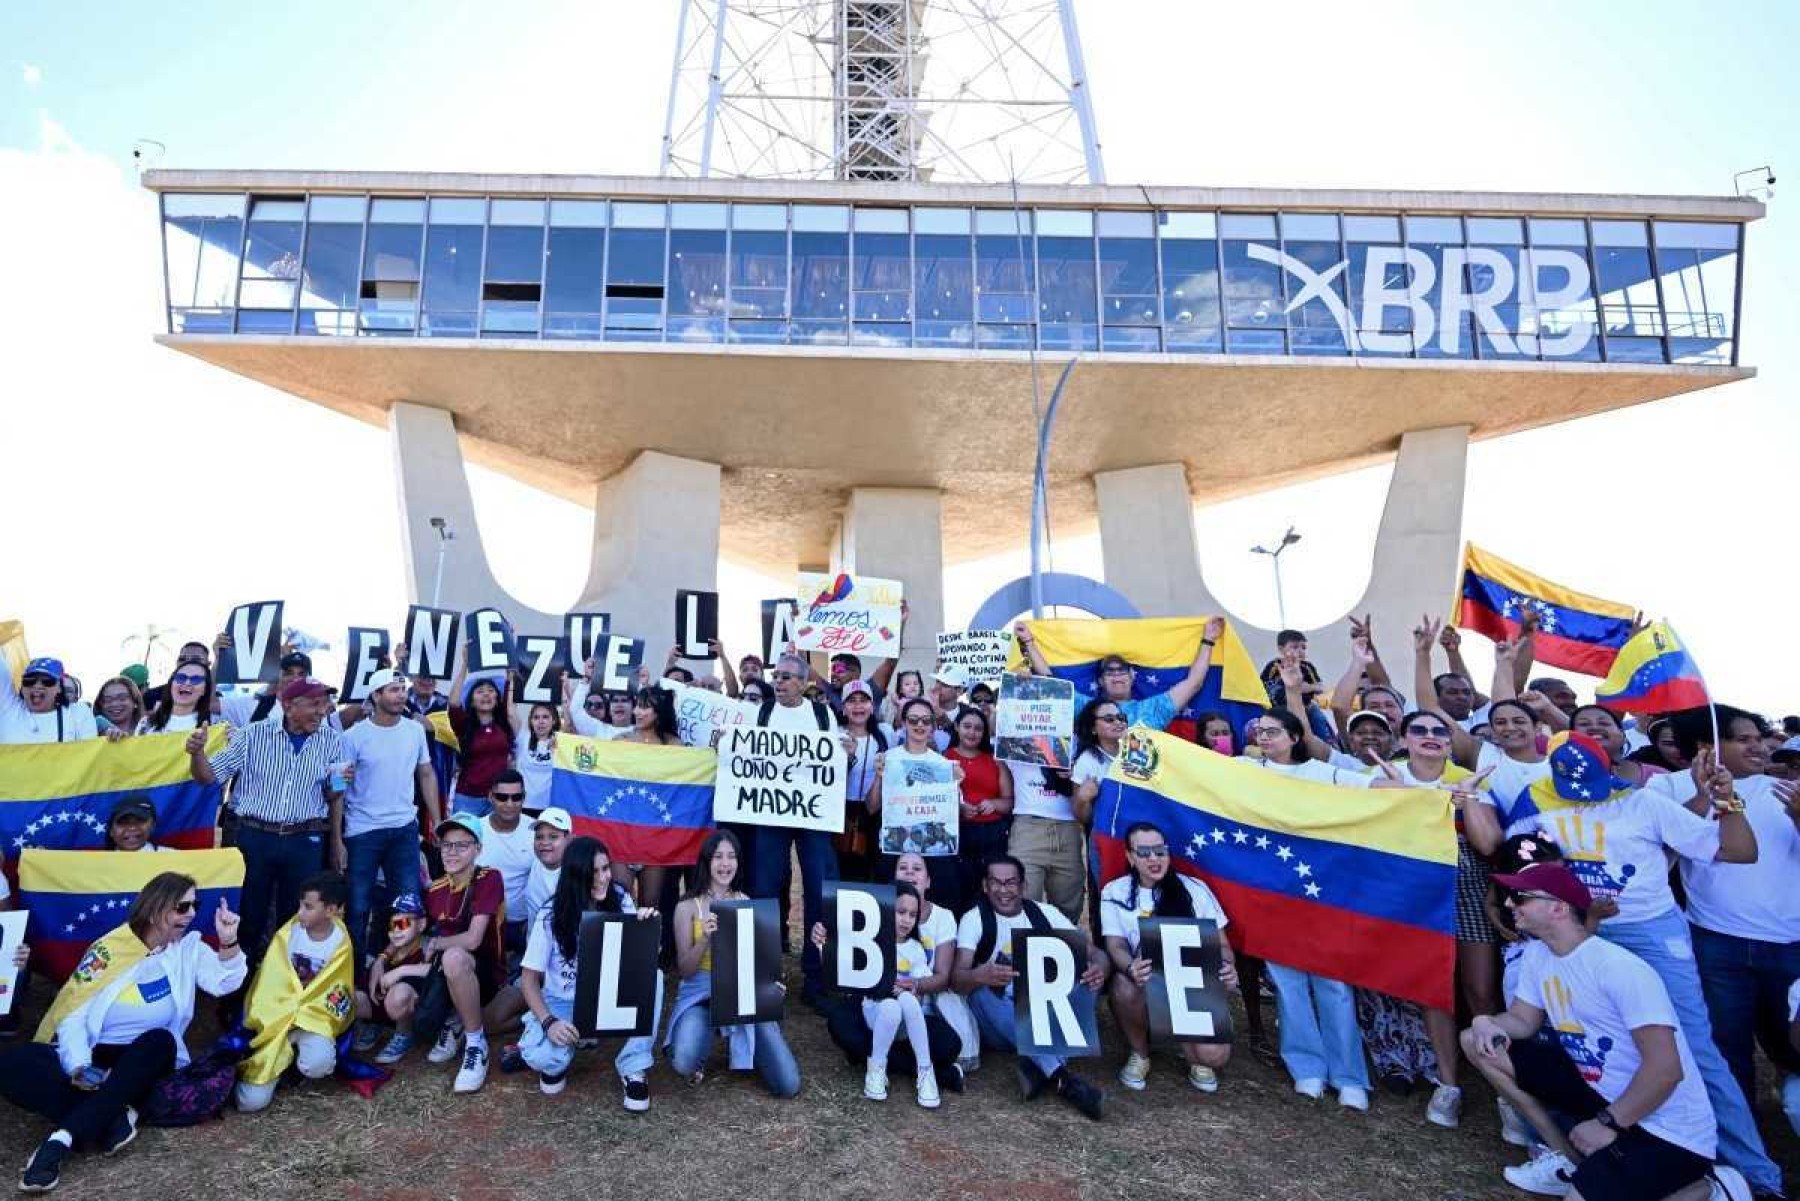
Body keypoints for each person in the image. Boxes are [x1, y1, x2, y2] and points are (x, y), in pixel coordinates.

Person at [1521, 729, 1781, 1195]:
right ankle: (1610, 1149)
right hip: (1586, 933)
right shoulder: (1542, 809)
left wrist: (1727, 801)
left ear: (1611, 767)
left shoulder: (1644, 803)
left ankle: (1755, 1174)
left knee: (1693, 1049)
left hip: (1651, 935)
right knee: (1593, 1046)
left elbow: (1739, 852)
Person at [1462, 862, 1733, 1201]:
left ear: (1559, 908)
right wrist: (1486, 1021)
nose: (1508, 904)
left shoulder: (1620, 968)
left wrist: (1608, 1123)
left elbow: (1666, 1071)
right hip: (1601, 1088)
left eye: (1521, 897)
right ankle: (1570, 1158)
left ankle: (1712, 1190)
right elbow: (1523, 1021)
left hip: (1667, 1127)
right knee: (1475, 1041)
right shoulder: (1537, 954)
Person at [0, 873, 244, 1192]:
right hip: (97, 1057)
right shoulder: (109, 950)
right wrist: (78, 1066)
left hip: (147, 1059)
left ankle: (58, 1143)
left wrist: (228, 941)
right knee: (17, 1061)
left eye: (194, 905)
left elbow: (224, 982)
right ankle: (111, 1118)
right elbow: (74, 1014)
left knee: (160, 1040)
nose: (192, 914)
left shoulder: (189, 949)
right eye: (182, 907)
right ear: (156, 908)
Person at [1645, 707, 1800, 1129]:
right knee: (1727, 1046)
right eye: (1743, 739)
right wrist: (1702, 796)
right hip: (1715, 942)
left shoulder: (1786, 790)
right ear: (1707, 746)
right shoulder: (1666, 789)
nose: (1759, 746)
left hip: (1790, 943)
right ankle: (1740, 1138)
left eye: (1759, 737)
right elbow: (1659, 855)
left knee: (1789, 1043)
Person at [1365, 711, 1501, 1129]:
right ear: (1404, 738)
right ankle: (1448, 1083)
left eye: (1439, 731)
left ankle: (1503, 1089)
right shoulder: (1383, 776)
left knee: (1480, 990)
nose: (1430, 737)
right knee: (1433, 986)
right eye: (1419, 730)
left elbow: (1489, 843)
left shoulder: (1471, 776)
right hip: (1412, 888)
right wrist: (1410, 795)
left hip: (1467, 884)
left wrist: (1469, 800)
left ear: (1449, 740)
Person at [1239, 707, 1374, 1109]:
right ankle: (1306, 1068)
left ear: (1295, 736)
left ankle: (1349, 1075)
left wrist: (1432, 792)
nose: (1264, 738)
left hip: (1322, 888)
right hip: (1272, 887)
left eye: (1273, 731)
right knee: (1286, 979)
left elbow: (1374, 788)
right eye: (1259, 731)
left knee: (1333, 982)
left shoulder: (1322, 772)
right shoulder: (1245, 770)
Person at [188, 675, 347, 962]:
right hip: (255, 839)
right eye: (315, 703)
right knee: (248, 917)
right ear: (288, 705)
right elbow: (208, 776)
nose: (323, 710)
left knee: (297, 920)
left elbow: (333, 795)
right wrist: (197, 753)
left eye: (325, 703)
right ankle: (237, 994)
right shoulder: (252, 735)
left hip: (305, 841)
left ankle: (282, 991)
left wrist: (341, 783)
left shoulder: (332, 741)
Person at [951, 854, 1107, 1120]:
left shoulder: (1045, 914)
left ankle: (1038, 1068)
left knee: (1087, 982)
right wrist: (981, 974)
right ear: (985, 886)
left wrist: (1099, 969)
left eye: (1011, 882)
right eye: (996, 883)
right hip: (1000, 1019)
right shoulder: (974, 919)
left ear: (1023, 886)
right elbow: (957, 978)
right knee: (980, 996)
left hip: (1040, 1011)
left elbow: (1097, 954)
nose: (1004, 890)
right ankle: (1062, 1077)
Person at [517, 836, 662, 1109]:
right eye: (592, 872)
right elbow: (528, 980)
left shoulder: (620, 897)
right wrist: (549, 1022)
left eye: (605, 868)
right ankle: (565, 1048)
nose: (602, 878)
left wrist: (644, 928)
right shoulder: (550, 914)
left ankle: (633, 1066)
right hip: (564, 1000)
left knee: (655, 976)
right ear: (575, 875)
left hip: (609, 993)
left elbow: (639, 962)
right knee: (541, 1058)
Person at [1102, 821, 1236, 1094]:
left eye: (1160, 851)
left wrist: (1227, 967)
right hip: (1147, 983)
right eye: (1144, 853)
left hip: (1190, 988)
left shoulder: (1195, 889)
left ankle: (1194, 1052)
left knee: (1215, 1057)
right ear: (1129, 856)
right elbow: (1115, 944)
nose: (1154, 859)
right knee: (1122, 984)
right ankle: (1140, 1053)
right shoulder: (1114, 891)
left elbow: (1223, 947)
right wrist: (1130, 967)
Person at [665, 830, 801, 1097]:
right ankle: (706, 1041)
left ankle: (745, 1042)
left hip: (741, 994)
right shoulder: (688, 907)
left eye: (731, 857)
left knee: (788, 1085)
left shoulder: (745, 902)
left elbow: (757, 962)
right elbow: (686, 969)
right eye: (718, 857)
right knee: (683, 1061)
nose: (725, 864)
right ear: (706, 861)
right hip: (700, 994)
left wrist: (771, 985)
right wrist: (704, 938)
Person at [747, 654, 839, 1007]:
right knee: (765, 887)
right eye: (776, 676)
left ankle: (815, 976)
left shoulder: (820, 714)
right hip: (772, 814)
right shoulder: (762, 712)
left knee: (817, 889)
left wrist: (842, 751)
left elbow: (830, 758)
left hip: (813, 815)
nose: (779, 682)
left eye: (786, 677)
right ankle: (763, 974)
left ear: (803, 682)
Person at [814, 881, 956, 1108]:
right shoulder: (870, 944)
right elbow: (841, 973)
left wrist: (912, 987)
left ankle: (925, 1069)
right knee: (890, 1006)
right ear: (887, 910)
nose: (906, 920)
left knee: (907, 1002)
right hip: (876, 1012)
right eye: (901, 912)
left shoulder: (915, 948)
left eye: (912, 914)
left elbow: (919, 988)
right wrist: (823, 946)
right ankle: (876, 1067)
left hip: (905, 1024)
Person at [338, 668, 437, 972]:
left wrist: (438, 821)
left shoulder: (414, 730)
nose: (400, 695)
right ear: (376, 695)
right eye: (392, 690)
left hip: (404, 829)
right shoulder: (353, 737)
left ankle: (396, 969)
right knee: (357, 907)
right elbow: (340, 788)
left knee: (406, 903)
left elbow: (425, 773)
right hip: (362, 831)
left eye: (402, 689)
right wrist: (338, 840)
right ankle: (354, 976)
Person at [234, 871, 355, 1113]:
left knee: (319, 1063)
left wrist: (306, 1014)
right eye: (300, 904)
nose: (300, 912)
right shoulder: (288, 935)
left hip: (312, 1022)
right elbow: (269, 981)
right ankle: (277, 1065)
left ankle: (293, 1062)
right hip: (275, 1022)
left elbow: (338, 990)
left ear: (330, 910)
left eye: (309, 907)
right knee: (250, 1103)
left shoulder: (340, 943)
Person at [1015, 616, 1225, 734]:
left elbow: (1194, 683)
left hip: (1139, 795)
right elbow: (1051, 683)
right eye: (1109, 671)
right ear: (1100, 681)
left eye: (1122, 670)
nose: (1117, 675)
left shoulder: (1151, 710)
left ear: (1132, 677)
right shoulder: (1087, 709)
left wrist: (1208, 639)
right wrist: (1029, 643)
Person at [867, 698, 964, 904]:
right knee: (892, 908)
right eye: (913, 720)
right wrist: (878, 777)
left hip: (931, 851)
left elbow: (953, 814)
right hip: (893, 848)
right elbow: (871, 807)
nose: (919, 725)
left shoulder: (943, 764)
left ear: (933, 726)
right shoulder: (888, 758)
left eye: (926, 721)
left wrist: (955, 786)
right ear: (903, 723)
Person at [946, 704, 1012, 910]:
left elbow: (1009, 802)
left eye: (978, 728)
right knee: (958, 890)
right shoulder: (943, 758)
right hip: (957, 834)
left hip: (992, 836)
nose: (972, 732)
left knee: (989, 890)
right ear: (956, 727)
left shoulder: (995, 761)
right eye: (967, 726)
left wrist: (993, 803)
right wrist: (958, 807)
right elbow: (934, 800)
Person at [473, 772, 535, 957]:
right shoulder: (474, 830)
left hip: (524, 925)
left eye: (516, 797)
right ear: (490, 797)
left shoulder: (536, 832)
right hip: (483, 924)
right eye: (502, 797)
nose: (510, 804)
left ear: (524, 798)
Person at [367, 894, 432, 1065]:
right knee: (353, 996)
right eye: (391, 925)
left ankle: (404, 1034)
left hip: (413, 1009)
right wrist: (379, 961)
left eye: (403, 924)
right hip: (385, 1007)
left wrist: (401, 971)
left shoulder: (428, 946)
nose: (396, 930)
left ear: (422, 924)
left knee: (400, 994)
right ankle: (374, 1024)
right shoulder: (388, 952)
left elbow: (438, 969)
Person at [446, 664, 515, 818]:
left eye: (491, 691)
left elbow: (509, 703)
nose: (486, 695)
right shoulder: (463, 724)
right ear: (471, 701)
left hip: (498, 799)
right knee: (464, 841)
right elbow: (453, 703)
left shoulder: (503, 724)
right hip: (467, 798)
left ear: (497, 700)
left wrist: (509, 679)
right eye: (480, 692)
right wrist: (464, 665)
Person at [837, 680, 887, 882]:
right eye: (852, 701)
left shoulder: (884, 737)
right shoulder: (834, 735)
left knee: (869, 872)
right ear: (843, 707)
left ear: (872, 707)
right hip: (840, 812)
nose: (858, 706)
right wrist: (847, 760)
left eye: (864, 700)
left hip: (872, 812)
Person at [1, 656, 98, 744]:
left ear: (59, 688)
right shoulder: (8, 708)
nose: (37, 686)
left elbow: (89, 754)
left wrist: (111, 737)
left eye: (47, 681)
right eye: (29, 681)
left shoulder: (77, 713)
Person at [139, 661, 215, 735]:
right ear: (171, 684)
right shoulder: (146, 723)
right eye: (181, 678)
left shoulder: (213, 727)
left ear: (204, 690)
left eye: (196, 679)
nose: (187, 683)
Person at [138, 640, 212, 713]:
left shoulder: (215, 699)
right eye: (182, 659)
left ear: (208, 664)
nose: (187, 662)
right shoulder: (152, 695)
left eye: (196, 659)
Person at [513, 701, 559, 804]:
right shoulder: (523, 738)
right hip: (523, 804)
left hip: (550, 807)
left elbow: (571, 720)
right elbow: (511, 714)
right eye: (536, 717)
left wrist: (565, 691)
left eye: (545, 717)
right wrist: (512, 687)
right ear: (531, 721)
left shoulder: (560, 741)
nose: (541, 721)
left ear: (554, 720)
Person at [103, 795, 171, 853]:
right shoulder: (97, 863)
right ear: (111, 830)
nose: (132, 827)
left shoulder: (174, 857)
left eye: (140, 820)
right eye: (123, 822)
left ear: (152, 825)